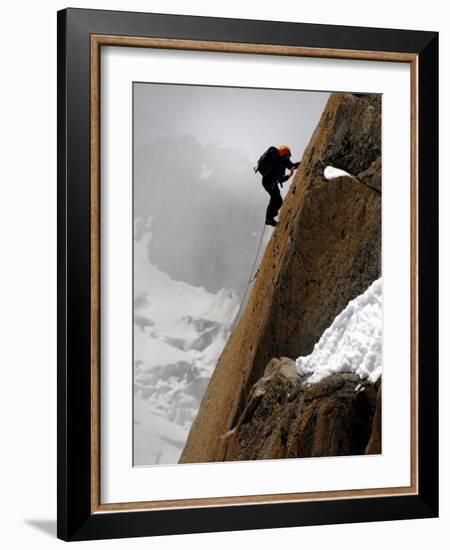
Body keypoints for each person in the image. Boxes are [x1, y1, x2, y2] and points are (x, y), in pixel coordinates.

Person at [259, 145, 300, 226]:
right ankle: (269, 219)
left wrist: (300, 164)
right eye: (288, 155)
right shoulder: (278, 163)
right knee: (276, 199)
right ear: (284, 155)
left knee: (277, 200)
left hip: (268, 182)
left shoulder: (281, 161)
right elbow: (280, 179)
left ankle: (270, 217)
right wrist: (289, 175)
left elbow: (291, 166)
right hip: (269, 182)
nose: (289, 158)